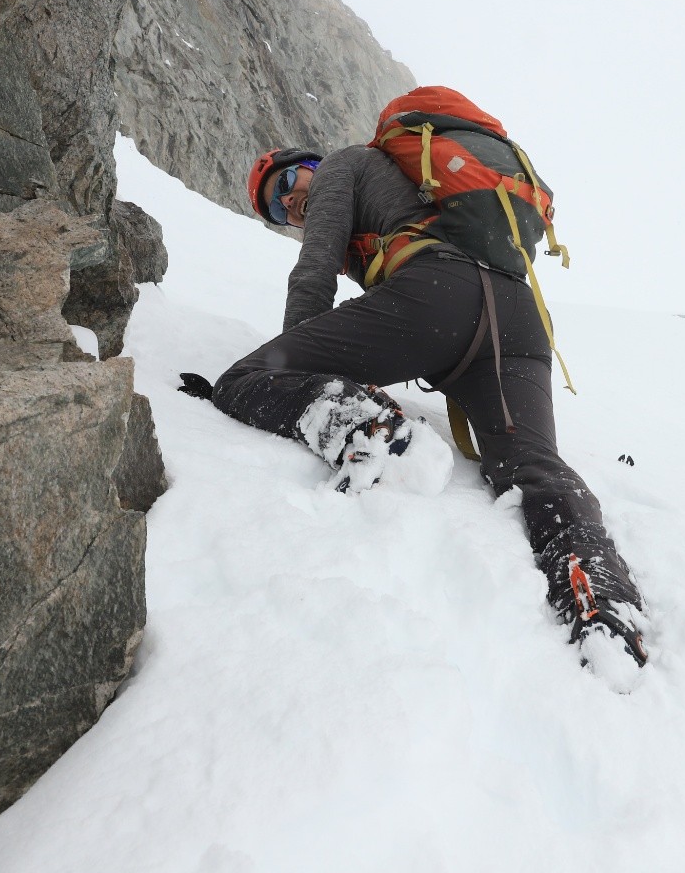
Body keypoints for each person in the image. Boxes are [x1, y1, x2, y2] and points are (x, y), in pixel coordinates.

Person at [197, 131, 649, 670]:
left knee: (244, 378)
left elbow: (315, 268)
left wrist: (292, 359)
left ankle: (370, 429)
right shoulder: (407, 194)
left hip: (438, 299)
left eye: (290, 182)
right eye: (277, 208)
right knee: (533, 468)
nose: (290, 201)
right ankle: (600, 601)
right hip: (519, 319)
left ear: (313, 164)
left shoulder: (344, 167)